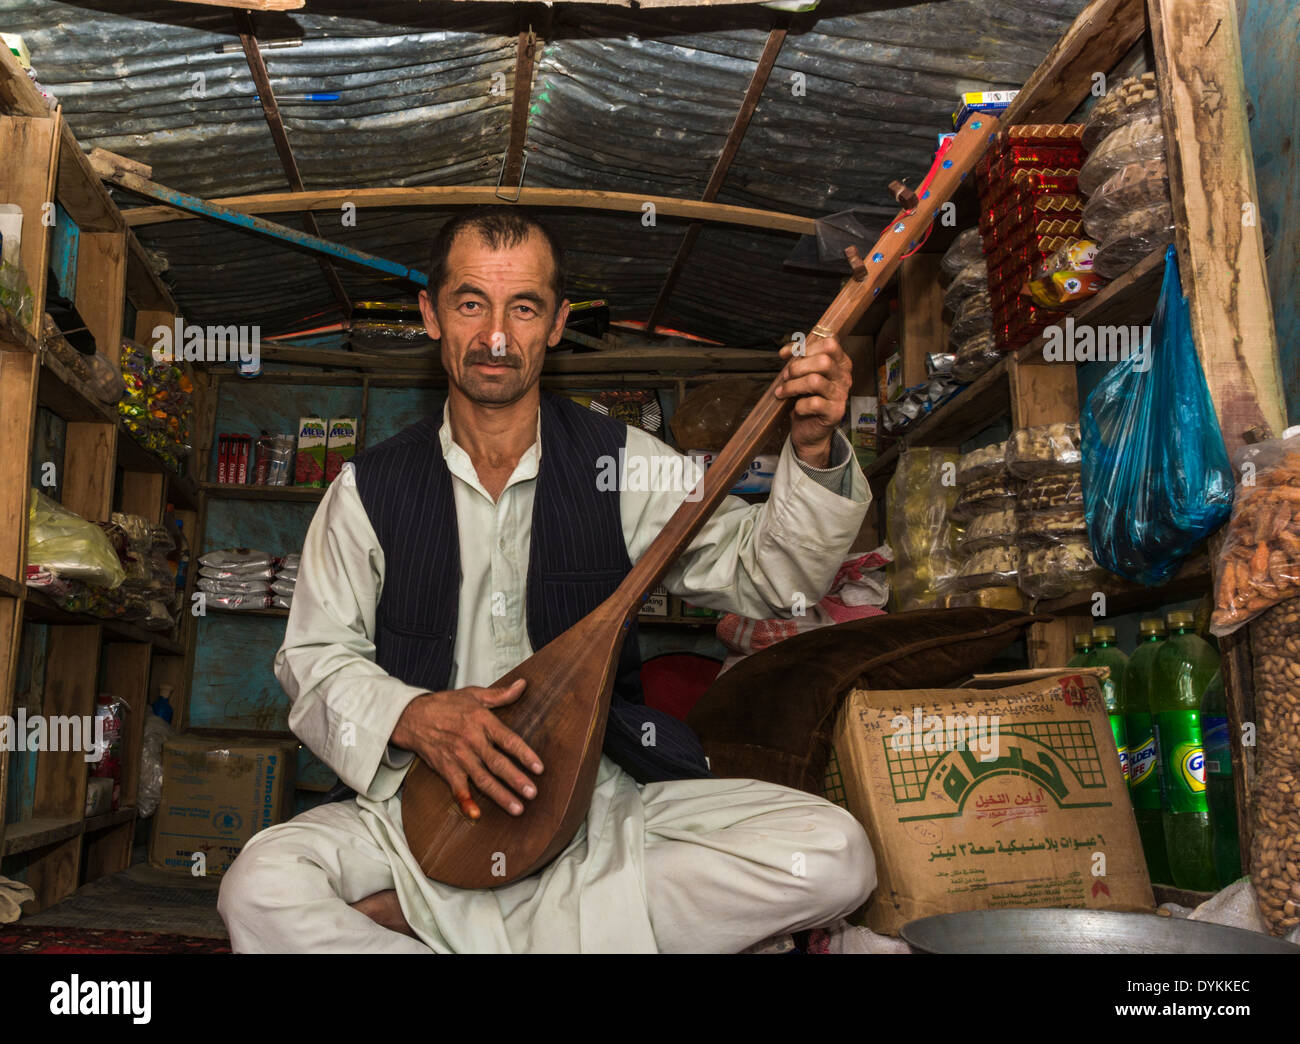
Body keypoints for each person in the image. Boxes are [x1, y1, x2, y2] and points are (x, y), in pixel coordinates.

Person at [217, 206, 876, 953]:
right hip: (415, 809)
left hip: (597, 806)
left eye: (523, 307)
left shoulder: (625, 461)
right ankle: (555, 922)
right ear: (431, 315)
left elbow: (768, 577)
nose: (496, 336)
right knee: (261, 884)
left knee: (833, 854)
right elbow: (311, 659)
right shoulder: (368, 488)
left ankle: (426, 921)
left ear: (557, 323)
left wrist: (816, 446)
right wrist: (414, 716)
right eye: (472, 303)